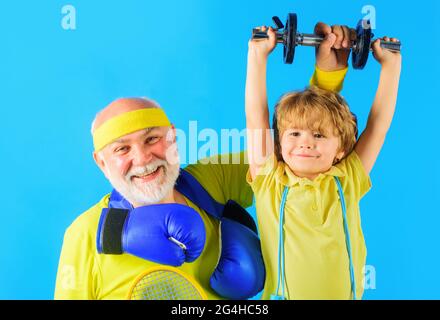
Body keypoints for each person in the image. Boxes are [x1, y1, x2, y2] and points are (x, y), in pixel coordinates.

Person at [54, 22, 354, 300]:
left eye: (152, 139)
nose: (143, 158)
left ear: (172, 136)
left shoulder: (209, 182)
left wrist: (326, 78)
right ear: (101, 162)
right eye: (122, 150)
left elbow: (304, 151)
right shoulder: (84, 235)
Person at [245, 24, 401, 300]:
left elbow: (377, 125)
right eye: (294, 133)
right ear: (280, 142)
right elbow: (256, 116)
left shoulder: (348, 178)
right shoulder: (270, 180)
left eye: (318, 135)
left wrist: (391, 67)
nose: (305, 142)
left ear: (341, 149)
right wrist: (257, 56)